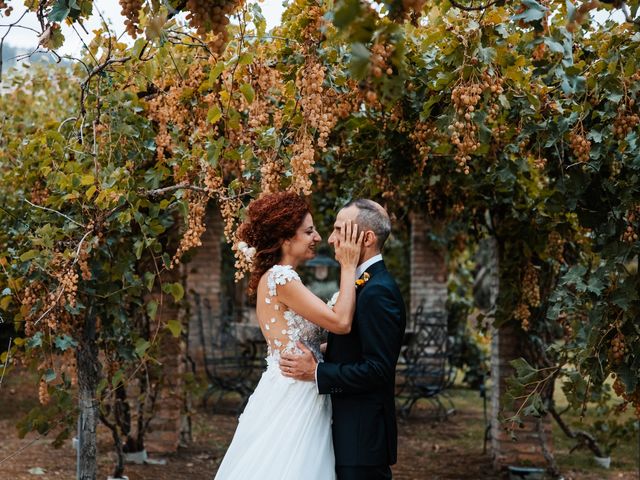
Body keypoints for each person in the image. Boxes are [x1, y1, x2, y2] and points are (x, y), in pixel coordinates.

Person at [214, 191, 363, 480]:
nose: (317, 237)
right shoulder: (283, 278)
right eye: (308, 231)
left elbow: (304, 340)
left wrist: (322, 351)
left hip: (293, 384)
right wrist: (348, 266)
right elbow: (341, 322)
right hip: (296, 391)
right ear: (285, 238)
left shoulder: (277, 277)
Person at [280, 199, 406, 480]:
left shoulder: (378, 292)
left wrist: (316, 372)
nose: (331, 238)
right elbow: (358, 345)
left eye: (340, 230)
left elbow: (377, 370)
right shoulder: (363, 282)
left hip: (361, 438)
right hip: (346, 433)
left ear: (367, 238)